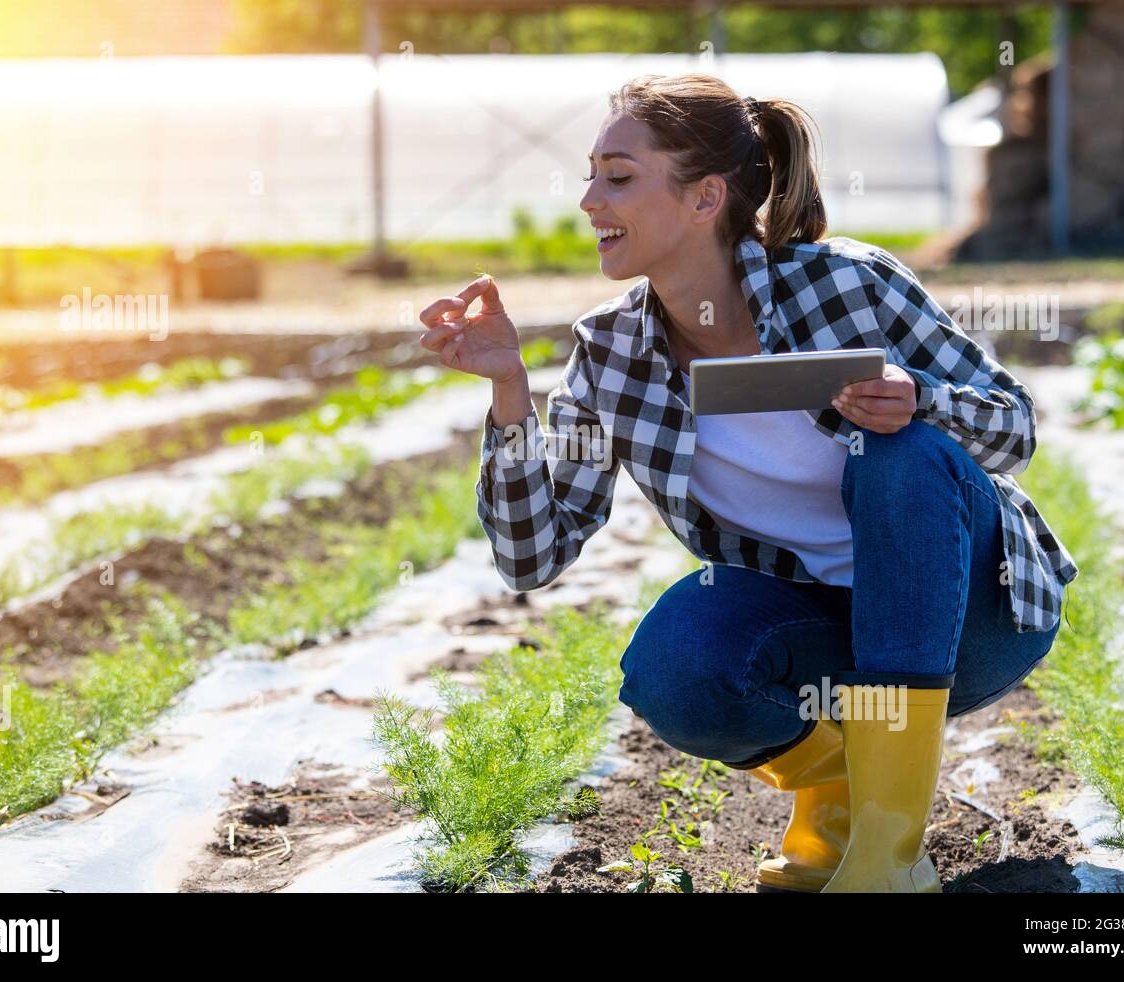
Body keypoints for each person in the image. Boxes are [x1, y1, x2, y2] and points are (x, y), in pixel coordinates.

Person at [417, 73, 1078, 893]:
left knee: (904, 454)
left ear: (705, 199)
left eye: (618, 176)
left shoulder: (848, 286)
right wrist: (510, 390)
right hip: (825, 647)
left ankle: (889, 856)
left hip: (969, 625)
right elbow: (533, 557)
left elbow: (1015, 426)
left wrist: (924, 401)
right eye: (590, 173)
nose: (589, 199)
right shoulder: (612, 355)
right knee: (676, 664)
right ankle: (838, 807)